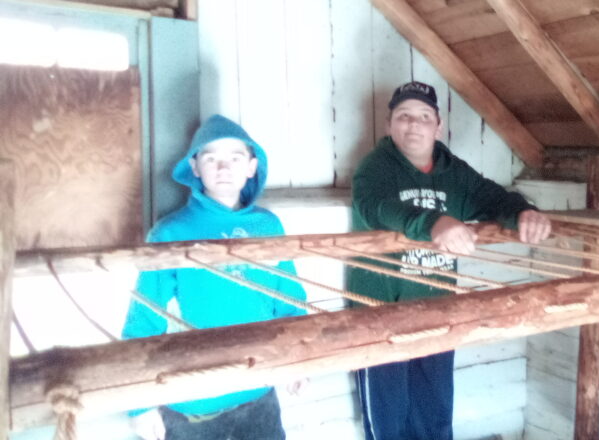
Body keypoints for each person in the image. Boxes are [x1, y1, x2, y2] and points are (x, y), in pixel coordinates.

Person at [348, 81, 552, 440]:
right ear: (389, 125)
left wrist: (524, 212)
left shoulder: (453, 171)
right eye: (404, 116)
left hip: (438, 310)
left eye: (424, 116)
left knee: (436, 414)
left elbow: (493, 198)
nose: (414, 125)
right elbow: (379, 207)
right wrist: (434, 222)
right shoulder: (373, 168)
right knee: (387, 422)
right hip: (378, 314)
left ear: (438, 126)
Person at [122, 114, 308, 440]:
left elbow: (290, 302)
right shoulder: (170, 233)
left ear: (251, 167)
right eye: (211, 158)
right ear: (195, 167)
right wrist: (140, 404)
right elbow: (143, 320)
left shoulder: (269, 227)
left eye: (235, 158)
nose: (223, 168)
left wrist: (300, 359)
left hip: (258, 395)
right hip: (191, 407)